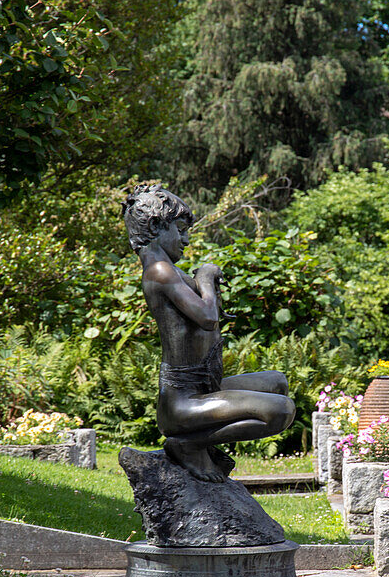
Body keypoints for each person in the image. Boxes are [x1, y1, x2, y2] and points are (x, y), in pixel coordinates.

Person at [122, 183, 295, 481]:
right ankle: (189, 445)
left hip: (203, 391)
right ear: (156, 226)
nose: (186, 240)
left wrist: (208, 290)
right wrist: (204, 276)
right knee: (281, 411)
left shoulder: (169, 270)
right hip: (183, 404)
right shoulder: (160, 272)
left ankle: (196, 443)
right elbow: (206, 318)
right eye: (181, 229)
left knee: (277, 382)